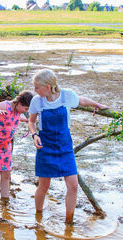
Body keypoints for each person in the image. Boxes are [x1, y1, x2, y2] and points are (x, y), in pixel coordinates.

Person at [28, 69, 109, 224]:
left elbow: (82, 100)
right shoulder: (36, 101)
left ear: (48, 86)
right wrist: (34, 135)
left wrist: (97, 104)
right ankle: (38, 217)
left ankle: (69, 221)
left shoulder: (66, 95)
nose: (35, 90)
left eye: (37, 87)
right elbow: (31, 122)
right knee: (43, 186)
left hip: (65, 146)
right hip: (45, 146)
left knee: (73, 185)